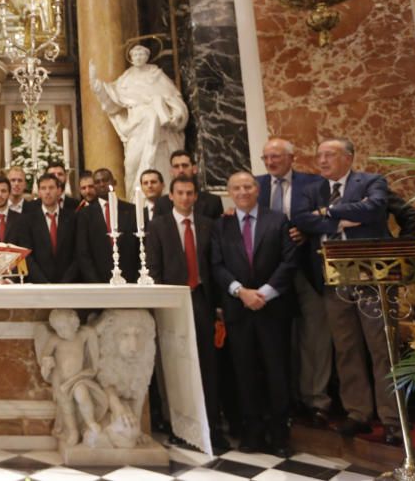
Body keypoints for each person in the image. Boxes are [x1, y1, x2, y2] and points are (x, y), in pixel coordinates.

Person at [293, 138, 401, 445]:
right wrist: (343, 218)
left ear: (349, 157)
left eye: (330, 154)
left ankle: (392, 419)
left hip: (372, 279)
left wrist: (327, 213)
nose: (322, 160)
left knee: (382, 348)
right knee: (346, 348)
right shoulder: (311, 189)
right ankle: (358, 413)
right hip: (333, 281)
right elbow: (301, 220)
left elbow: (375, 209)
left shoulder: (371, 181)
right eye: (319, 155)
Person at [211, 171, 298, 456]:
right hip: (239, 309)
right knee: (244, 372)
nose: (243, 192)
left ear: (257, 189)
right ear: (229, 192)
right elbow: (217, 265)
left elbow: (289, 260)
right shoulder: (220, 226)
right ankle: (252, 433)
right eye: (236, 188)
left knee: (276, 370)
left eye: (247, 186)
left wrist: (265, 292)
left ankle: (280, 435)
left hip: (272, 307)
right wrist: (241, 292)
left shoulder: (278, 220)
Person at [146, 175, 229, 452]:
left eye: (189, 193)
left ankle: (213, 426)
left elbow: (215, 267)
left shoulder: (207, 226)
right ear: (170, 196)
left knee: (208, 365)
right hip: (173, 301)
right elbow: (154, 268)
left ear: (196, 196)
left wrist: (218, 307)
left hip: (203, 300)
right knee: (175, 365)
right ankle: (179, 426)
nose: (184, 198)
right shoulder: (158, 226)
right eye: (180, 193)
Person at [256, 138, 329, 426]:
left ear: (291, 157)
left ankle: (316, 400)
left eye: (276, 157)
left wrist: (308, 233)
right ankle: (285, 398)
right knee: (280, 336)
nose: (271, 162)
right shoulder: (255, 185)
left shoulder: (314, 184)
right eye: (266, 158)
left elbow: (329, 218)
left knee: (315, 335)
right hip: (270, 274)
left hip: (306, 269)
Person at [88, 44, 189, 190]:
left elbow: (175, 99)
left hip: (160, 131)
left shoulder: (157, 75)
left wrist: (176, 113)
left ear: (147, 56)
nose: (138, 57)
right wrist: (97, 85)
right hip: (136, 127)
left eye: (141, 54)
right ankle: (135, 200)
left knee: (159, 166)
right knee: (132, 167)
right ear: (131, 58)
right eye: (135, 55)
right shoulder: (126, 79)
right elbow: (112, 100)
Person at [76, 170, 139, 283]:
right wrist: (95, 282)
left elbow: (138, 245)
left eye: (105, 180)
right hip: (99, 280)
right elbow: (83, 252)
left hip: (130, 279)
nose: (101, 184)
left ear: (114, 182)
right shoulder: (85, 215)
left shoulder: (131, 210)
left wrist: (135, 278)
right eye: (97, 182)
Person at [23, 174, 77, 283]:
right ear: (39, 192)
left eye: (51, 188)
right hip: (39, 285)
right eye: (43, 188)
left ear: (59, 191)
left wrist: (65, 282)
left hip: (68, 284)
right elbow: (28, 256)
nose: (47, 192)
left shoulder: (72, 218)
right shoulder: (28, 220)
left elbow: (77, 253)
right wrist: (44, 283)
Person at [153, 150, 224, 220]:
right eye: (176, 166)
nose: (181, 170)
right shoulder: (161, 204)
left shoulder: (213, 202)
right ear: (171, 171)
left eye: (185, 166)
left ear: (194, 169)